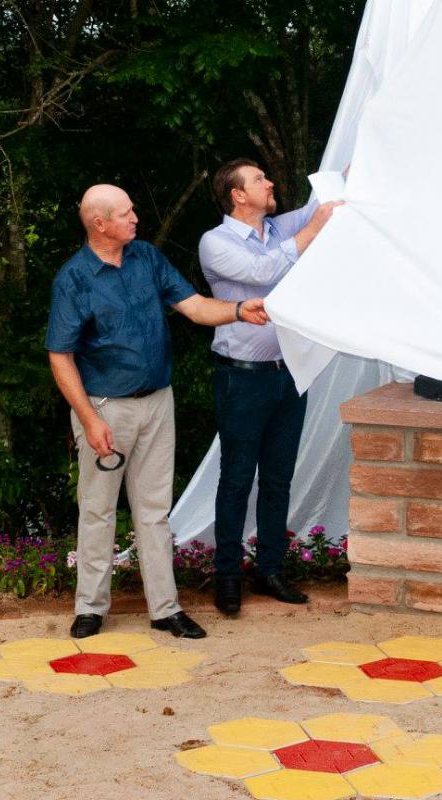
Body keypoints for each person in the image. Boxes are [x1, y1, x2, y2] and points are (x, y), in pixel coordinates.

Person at [47, 183, 268, 641]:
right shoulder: (73, 278)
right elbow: (60, 356)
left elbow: (194, 307)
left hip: (157, 402)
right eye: (126, 213)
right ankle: (90, 608)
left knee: (154, 511)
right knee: (97, 510)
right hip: (105, 409)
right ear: (100, 223)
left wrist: (239, 309)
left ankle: (165, 610)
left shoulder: (146, 258)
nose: (136, 219)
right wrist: (89, 420)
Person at [198, 159, 341, 616]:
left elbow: (327, 203)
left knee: (279, 478)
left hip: (289, 374)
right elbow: (261, 272)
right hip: (241, 376)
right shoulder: (215, 243)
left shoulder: (280, 228)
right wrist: (314, 229)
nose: (270, 182)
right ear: (238, 195)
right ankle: (227, 577)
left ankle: (271, 570)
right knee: (237, 478)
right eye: (259, 179)